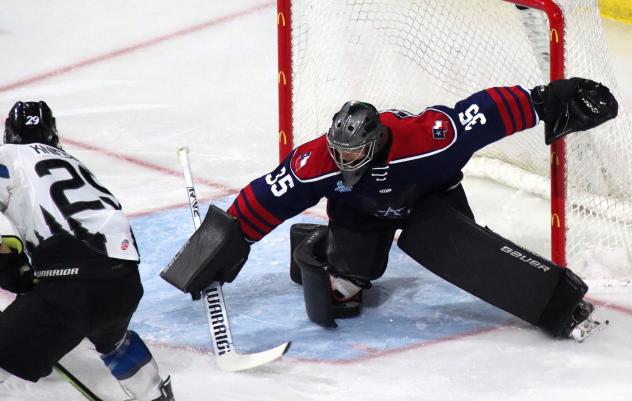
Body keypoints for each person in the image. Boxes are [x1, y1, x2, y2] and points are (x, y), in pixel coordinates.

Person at [163, 78, 617, 339]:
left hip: (427, 201)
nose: (344, 162)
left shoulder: (428, 139)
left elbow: (480, 114)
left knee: (463, 255)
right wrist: (224, 242)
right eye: (339, 153)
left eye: (354, 154)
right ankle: (321, 246)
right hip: (359, 213)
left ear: (375, 141)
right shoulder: (317, 160)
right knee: (344, 295)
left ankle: (554, 302)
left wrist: (546, 100)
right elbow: (269, 194)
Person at [0, 101, 174, 401]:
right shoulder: (75, 163)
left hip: (69, 287)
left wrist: (7, 261)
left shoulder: (8, 156)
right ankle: (154, 395)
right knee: (113, 339)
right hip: (124, 283)